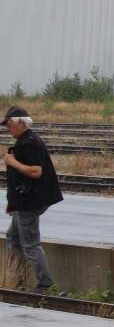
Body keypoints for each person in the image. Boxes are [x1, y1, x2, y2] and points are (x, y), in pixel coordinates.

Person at [4, 106, 62, 291]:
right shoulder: (25, 140)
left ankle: (46, 284)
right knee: (13, 236)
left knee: (30, 244)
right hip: (24, 201)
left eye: (9, 125)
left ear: (21, 124)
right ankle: (15, 278)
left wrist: (12, 161)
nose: (8, 129)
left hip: (30, 201)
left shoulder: (29, 143)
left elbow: (36, 172)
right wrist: (12, 202)